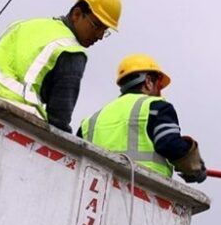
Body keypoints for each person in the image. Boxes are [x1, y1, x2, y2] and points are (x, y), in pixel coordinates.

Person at [0, 0, 121, 132]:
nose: (99, 35)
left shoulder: (22, 25)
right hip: (14, 121)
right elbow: (59, 119)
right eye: (97, 26)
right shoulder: (71, 50)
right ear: (77, 14)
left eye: (105, 31)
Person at [78, 54, 206, 183]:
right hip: (143, 191)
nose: (159, 92)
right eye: (159, 86)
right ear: (148, 82)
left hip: (95, 192)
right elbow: (169, 144)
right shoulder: (156, 107)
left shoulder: (91, 120)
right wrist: (194, 168)